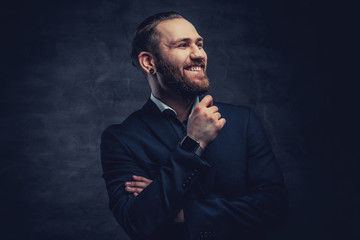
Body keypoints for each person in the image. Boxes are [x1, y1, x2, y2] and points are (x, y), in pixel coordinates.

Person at [101, 12, 287, 240]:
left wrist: (183, 212)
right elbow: (137, 222)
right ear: (149, 62)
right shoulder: (122, 139)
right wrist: (193, 143)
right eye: (183, 45)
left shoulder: (243, 121)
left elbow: (275, 207)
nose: (199, 54)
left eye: (199, 44)